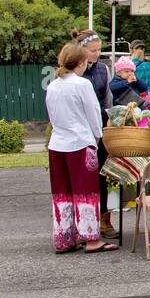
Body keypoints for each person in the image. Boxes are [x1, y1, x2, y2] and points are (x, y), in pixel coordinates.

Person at [45, 42, 118, 253]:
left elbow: (51, 115)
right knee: (85, 191)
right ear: (81, 62)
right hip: (80, 142)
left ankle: (64, 237)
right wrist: (97, 137)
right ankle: (90, 238)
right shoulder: (82, 84)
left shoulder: (53, 85)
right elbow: (94, 115)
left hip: (57, 143)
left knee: (62, 192)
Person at [71, 29, 115, 239]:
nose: (97, 54)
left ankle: (105, 219)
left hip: (99, 126)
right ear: (81, 51)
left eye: (99, 50)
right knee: (81, 177)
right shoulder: (72, 72)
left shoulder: (103, 70)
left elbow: (107, 98)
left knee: (102, 175)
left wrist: (106, 121)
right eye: (92, 50)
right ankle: (82, 221)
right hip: (78, 129)